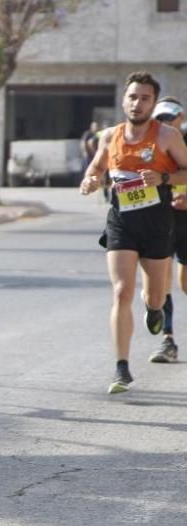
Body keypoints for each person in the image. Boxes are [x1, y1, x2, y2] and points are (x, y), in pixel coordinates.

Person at [80, 72, 187, 393]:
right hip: (121, 222)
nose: (137, 103)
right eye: (132, 97)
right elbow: (97, 167)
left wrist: (164, 180)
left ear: (153, 103)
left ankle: (154, 310)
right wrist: (90, 179)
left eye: (144, 98)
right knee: (121, 291)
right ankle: (121, 368)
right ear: (123, 100)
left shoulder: (167, 137)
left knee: (154, 296)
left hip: (157, 224)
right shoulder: (109, 136)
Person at [148, 96, 187, 363]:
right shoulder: (151, 146)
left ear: (181, 118)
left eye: (169, 118)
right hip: (162, 220)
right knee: (161, 284)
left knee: (184, 283)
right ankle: (168, 340)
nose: (164, 123)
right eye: (160, 118)